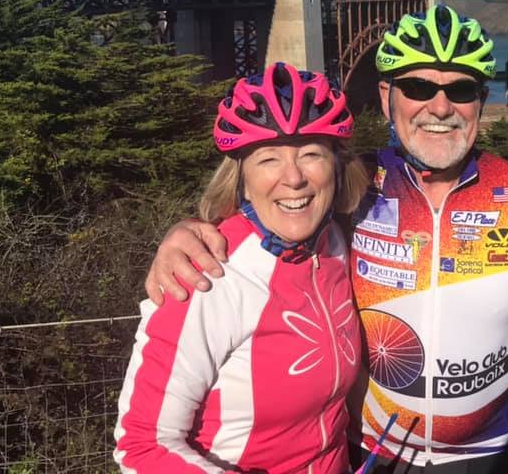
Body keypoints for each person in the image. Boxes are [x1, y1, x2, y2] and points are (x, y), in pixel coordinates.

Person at [146, 5, 508, 474]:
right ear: (389, 97)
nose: (440, 107)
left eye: (460, 90)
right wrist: (191, 233)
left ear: (479, 103)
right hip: (371, 453)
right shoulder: (354, 184)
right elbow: (274, 208)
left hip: (487, 454)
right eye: (419, 86)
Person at [115, 62, 368, 473]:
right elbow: (141, 446)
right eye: (268, 159)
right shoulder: (208, 274)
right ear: (243, 180)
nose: (294, 178)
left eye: (310, 155)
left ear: (337, 169)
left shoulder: (337, 244)